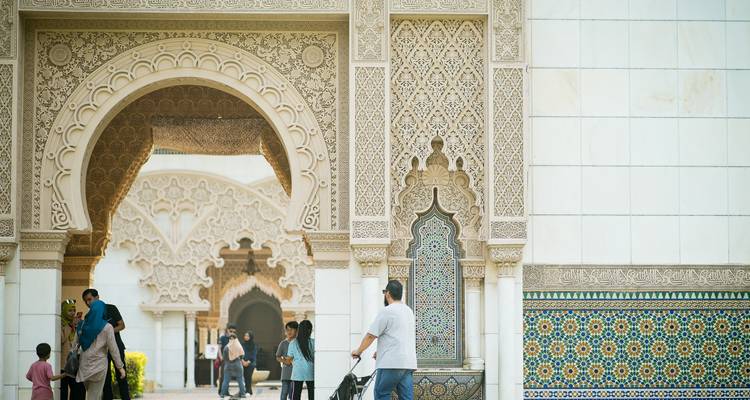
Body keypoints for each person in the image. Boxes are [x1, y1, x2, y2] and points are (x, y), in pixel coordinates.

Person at [352, 280, 416, 400]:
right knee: (406, 397)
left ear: (387, 294)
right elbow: (399, 336)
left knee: (381, 393)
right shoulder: (408, 311)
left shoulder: (387, 311)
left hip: (391, 363)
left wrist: (358, 351)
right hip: (408, 363)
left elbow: (371, 335)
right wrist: (381, 350)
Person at [81, 289, 130, 400]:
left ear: (97, 297)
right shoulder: (89, 316)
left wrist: (107, 333)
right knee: (105, 380)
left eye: (89, 299)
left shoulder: (111, 308)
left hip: (116, 346)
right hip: (101, 351)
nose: (88, 303)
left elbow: (122, 325)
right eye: (85, 301)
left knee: (122, 376)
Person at [283, 320, 314, 400]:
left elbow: (288, 360)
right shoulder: (313, 343)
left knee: (295, 396)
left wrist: (283, 359)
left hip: (297, 373)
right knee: (312, 396)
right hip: (311, 372)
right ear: (310, 330)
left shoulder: (293, 343)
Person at [61, 299, 86, 400]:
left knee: (78, 390)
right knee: (63, 391)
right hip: (63, 364)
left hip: (74, 363)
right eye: (69, 310)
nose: (72, 313)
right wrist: (70, 326)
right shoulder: (61, 323)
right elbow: (62, 339)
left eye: (74, 310)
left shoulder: (74, 324)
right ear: (64, 311)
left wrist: (77, 326)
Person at [275, 321, 298, 400]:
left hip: (296, 373)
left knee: (293, 394)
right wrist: (285, 361)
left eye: (291, 330)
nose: (289, 332)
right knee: (284, 393)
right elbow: (277, 357)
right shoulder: (283, 343)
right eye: (287, 330)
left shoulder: (298, 343)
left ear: (296, 331)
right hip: (286, 373)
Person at [220, 334, 247, 399]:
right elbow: (242, 355)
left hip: (228, 365)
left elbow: (224, 357)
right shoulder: (239, 346)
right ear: (236, 338)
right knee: (240, 380)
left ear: (229, 339)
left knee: (226, 380)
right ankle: (243, 394)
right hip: (237, 365)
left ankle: (222, 394)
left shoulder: (226, 347)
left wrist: (228, 361)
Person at [216, 324, 237, 393]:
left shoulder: (233, 339)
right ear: (227, 330)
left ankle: (226, 390)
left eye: (234, 332)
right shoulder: (222, 338)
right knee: (223, 375)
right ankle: (221, 390)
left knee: (229, 376)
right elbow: (219, 348)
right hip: (224, 359)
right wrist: (221, 356)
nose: (232, 333)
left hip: (231, 359)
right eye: (231, 331)